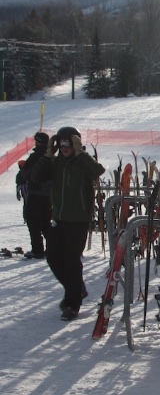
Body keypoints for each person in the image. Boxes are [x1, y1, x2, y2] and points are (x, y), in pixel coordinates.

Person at [31, 126, 105, 321]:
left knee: (71, 260)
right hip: (58, 218)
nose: (64, 147)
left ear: (76, 144)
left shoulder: (82, 163)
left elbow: (98, 171)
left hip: (78, 219)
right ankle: (77, 289)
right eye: (61, 143)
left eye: (68, 143)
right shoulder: (55, 164)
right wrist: (46, 155)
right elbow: (36, 177)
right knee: (53, 257)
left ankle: (73, 304)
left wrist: (81, 154)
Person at [15, 132, 52, 259]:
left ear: (38, 142)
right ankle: (52, 249)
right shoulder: (52, 156)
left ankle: (37, 250)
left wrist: (20, 177)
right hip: (49, 196)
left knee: (34, 223)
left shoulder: (36, 156)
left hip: (36, 194)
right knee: (46, 223)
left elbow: (24, 173)